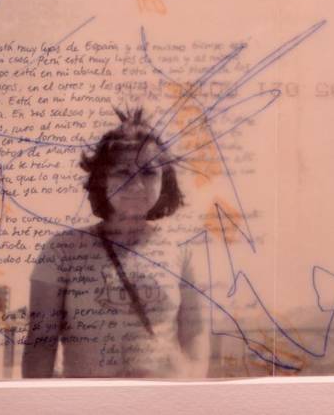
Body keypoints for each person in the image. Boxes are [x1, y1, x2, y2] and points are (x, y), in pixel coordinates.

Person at [22, 108, 210, 378]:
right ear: (102, 179)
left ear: (165, 181)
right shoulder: (62, 250)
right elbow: (40, 343)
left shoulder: (183, 252)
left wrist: (193, 388)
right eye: (123, 172)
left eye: (149, 173)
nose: (137, 185)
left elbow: (196, 336)